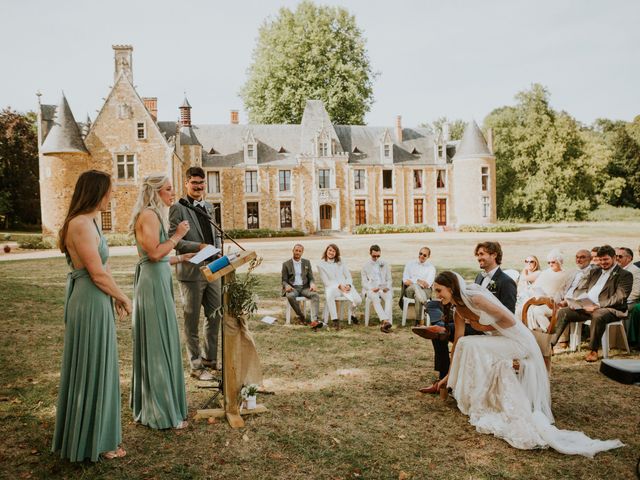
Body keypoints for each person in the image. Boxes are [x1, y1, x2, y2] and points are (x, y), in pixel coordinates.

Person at [433, 271, 624, 456]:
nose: (437, 295)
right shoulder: (458, 309)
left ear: (451, 287)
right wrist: (449, 375)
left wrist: (483, 327)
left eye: (439, 290)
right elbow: (457, 342)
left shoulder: (476, 299)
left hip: (517, 341)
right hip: (499, 342)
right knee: (465, 344)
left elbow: (508, 320)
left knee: (471, 345)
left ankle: (478, 396)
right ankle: (470, 393)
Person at [52, 170, 132, 462]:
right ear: (96, 191)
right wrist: (123, 297)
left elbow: (104, 267)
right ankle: (93, 441)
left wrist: (115, 295)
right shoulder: (79, 224)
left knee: (101, 365)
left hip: (98, 299)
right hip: (87, 301)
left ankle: (98, 436)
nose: (112, 195)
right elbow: (96, 273)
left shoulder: (92, 222)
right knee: (91, 366)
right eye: (109, 190)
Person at [130, 174, 193, 430]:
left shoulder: (154, 215)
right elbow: (155, 254)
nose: (172, 192)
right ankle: (160, 409)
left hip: (157, 278)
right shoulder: (148, 215)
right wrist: (177, 237)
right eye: (168, 189)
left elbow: (157, 255)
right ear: (155, 192)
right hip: (152, 283)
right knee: (157, 342)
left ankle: (164, 402)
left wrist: (181, 258)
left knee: (163, 337)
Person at [414, 241, 516, 393]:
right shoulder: (479, 277)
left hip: (492, 330)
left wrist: (480, 325)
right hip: (474, 324)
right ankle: (444, 377)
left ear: (494, 255)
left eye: (482, 254)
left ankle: (441, 330)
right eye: (478, 254)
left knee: (444, 332)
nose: (478, 257)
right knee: (438, 333)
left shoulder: (506, 282)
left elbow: (509, 316)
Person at [169, 166, 222, 381]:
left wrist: (218, 251)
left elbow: (215, 234)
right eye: (194, 183)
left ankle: (210, 359)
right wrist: (198, 246)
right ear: (187, 183)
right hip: (191, 272)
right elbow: (174, 240)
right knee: (191, 321)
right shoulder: (177, 208)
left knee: (215, 315)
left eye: (201, 183)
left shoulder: (209, 206)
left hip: (213, 269)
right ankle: (196, 365)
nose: (199, 187)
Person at [551, 245, 633, 362]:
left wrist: (598, 305)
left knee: (598, 315)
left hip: (611, 309)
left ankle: (593, 350)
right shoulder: (595, 272)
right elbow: (584, 289)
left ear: (614, 258)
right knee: (564, 312)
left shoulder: (624, 275)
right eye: (600, 260)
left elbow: (620, 297)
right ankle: (551, 345)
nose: (603, 263)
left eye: (606, 259)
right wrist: (578, 302)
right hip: (587, 306)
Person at [317, 243, 361, 329]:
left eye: (334, 251)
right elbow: (326, 282)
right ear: (326, 251)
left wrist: (348, 285)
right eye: (330, 250)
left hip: (345, 286)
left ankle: (352, 313)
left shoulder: (341, 261)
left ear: (336, 253)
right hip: (332, 287)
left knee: (358, 300)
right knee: (329, 294)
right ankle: (335, 320)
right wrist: (338, 286)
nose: (331, 252)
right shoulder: (320, 264)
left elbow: (348, 275)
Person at [281, 243, 321, 327]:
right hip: (293, 288)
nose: (297, 252)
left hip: (304, 288)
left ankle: (314, 320)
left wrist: (312, 284)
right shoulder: (286, 264)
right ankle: (301, 316)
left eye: (300, 251)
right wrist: (286, 286)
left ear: (302, 252)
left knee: (315, 295)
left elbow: (311, 277)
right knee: (290, 296)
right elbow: (284, 280)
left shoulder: (306, 262)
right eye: (296, 250)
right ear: (293, 251)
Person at [361, 245, 393, 332]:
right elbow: (364, 283)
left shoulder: (384, 264)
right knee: (375, 297)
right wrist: (371, 288)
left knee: (389, 296)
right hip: (371, 289)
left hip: (383, 288)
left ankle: (384, 323)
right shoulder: (365, 266)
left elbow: (389, 279)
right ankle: (385, 321)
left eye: (378, 256)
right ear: (370, 253)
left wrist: (387, 287)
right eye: (374, 256)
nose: (376, 258)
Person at [401, 247, 436, 324]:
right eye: (420, 254)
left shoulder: (431, 268)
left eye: (424, 255)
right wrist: (417, 281)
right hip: (410, 290)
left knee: (417, 294)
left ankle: (420, 321)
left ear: (428, 256)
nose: (422, 256)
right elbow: (405, 280)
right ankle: (425, 304)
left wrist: (413, 281)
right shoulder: (410, 264)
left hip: (425, 291)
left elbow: (427, 284)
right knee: (416, 286)